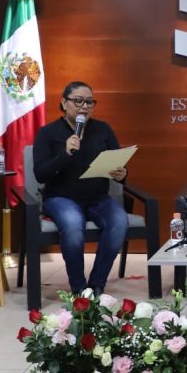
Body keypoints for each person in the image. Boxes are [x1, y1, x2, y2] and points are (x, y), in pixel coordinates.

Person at [33, 81, 128, 296]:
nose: (84, 107)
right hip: (61, 198)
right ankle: (78, 288)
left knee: (119, 222)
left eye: (89, 102)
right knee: (73, 224)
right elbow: (40, 173)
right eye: (78, 101)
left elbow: (118, 163)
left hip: (98, 198)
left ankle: (96, 285)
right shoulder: (48, 133)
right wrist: (65, 153)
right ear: (64, 103)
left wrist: (122, 174)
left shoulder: (103, 130)